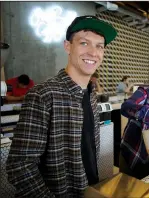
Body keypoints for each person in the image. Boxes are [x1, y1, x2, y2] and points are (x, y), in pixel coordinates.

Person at [6, 15, 117, 197]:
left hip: (87, 189)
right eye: (84, 43)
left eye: (99, 46)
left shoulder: (91, 95)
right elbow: (19, 166)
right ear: (67, 46)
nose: (93, 52)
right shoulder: (43, 95)